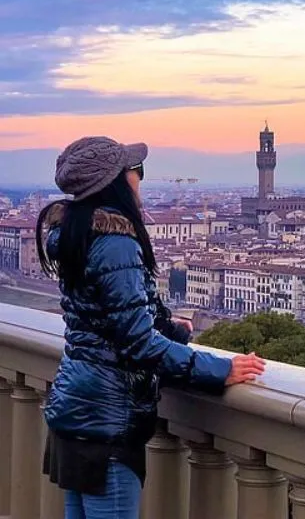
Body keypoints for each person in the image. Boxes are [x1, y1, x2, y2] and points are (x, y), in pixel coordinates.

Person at [35, 136, 266, 519]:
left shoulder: (75, 233)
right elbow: (137, 343)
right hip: (108, 418)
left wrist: (164, 326)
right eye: (136, 170)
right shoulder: (114, 242)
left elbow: (102, 318)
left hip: (76, 404)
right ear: (114, 181)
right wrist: (219, 369)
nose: (140, 177)